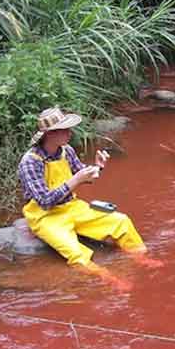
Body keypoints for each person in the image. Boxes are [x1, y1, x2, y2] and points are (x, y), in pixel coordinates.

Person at [18, 107, 160, 291]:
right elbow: (45, 201)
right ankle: (108, 278)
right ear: (49, 134)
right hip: (44, 216)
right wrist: (76, 180)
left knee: (121, 221)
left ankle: (141, 258)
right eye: (64, 129)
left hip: (72, 206)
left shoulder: (66, 150)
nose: (70, 132)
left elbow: (82, 174)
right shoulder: (30, 161)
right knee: (76, 255)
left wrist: (98, 167)